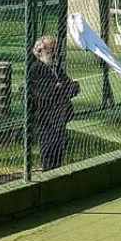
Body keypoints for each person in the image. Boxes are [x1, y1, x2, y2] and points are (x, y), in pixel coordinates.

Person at [30, 35, 79, 171]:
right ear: (40, 51)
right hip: (46, 119)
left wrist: (60, 88)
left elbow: (74, 87)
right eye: (51, 50)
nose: (55, 53)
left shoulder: (56, 69)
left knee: (60, 152)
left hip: (60, 117)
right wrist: (58, 89)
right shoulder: (35, 70)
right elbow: (43, 95)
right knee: (48, 152)